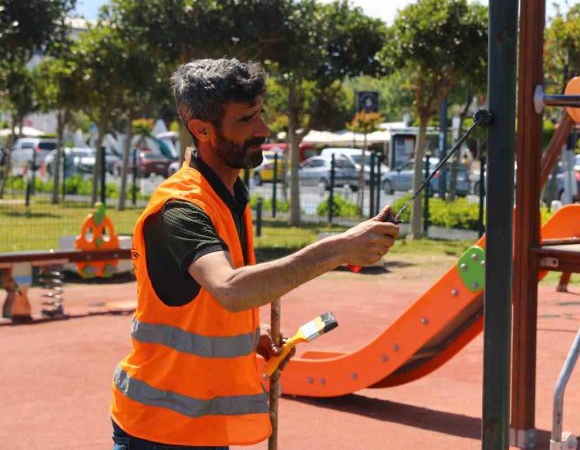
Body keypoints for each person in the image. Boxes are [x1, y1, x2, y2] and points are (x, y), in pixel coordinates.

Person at [110, 58, 399, 449]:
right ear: (201, 129)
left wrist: (248, 335)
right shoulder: (180, 208)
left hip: (198, 428)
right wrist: (338, 249)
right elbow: (230, 289)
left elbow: (204, 305)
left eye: (260, 114)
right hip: (160, 432)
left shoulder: (228, 195)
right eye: (246, 119)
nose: (263, 129)